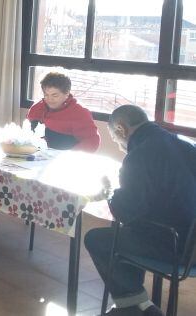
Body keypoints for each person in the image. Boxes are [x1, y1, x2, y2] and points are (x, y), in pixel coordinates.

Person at [84, 105, 196, 316]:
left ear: (121, 129)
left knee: (98, 239)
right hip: (192, 242)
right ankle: (139, 306)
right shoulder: (185, 144)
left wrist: (110, 193)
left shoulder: (140, 155)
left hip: (175, 245)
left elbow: (126, 211)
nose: (120, 147)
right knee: (131, 232)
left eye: (117, 142)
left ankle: (134, 306)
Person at [0, 72, 101, 230]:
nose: (49, 99)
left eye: (55, 95)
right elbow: (27, 135)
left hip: (59, 166)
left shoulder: (79, 113)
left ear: (67, 94)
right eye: (46, 94)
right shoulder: (38, 107)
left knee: (7, 183)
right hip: (32, 159)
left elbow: (93, 141)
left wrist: (68, 156)